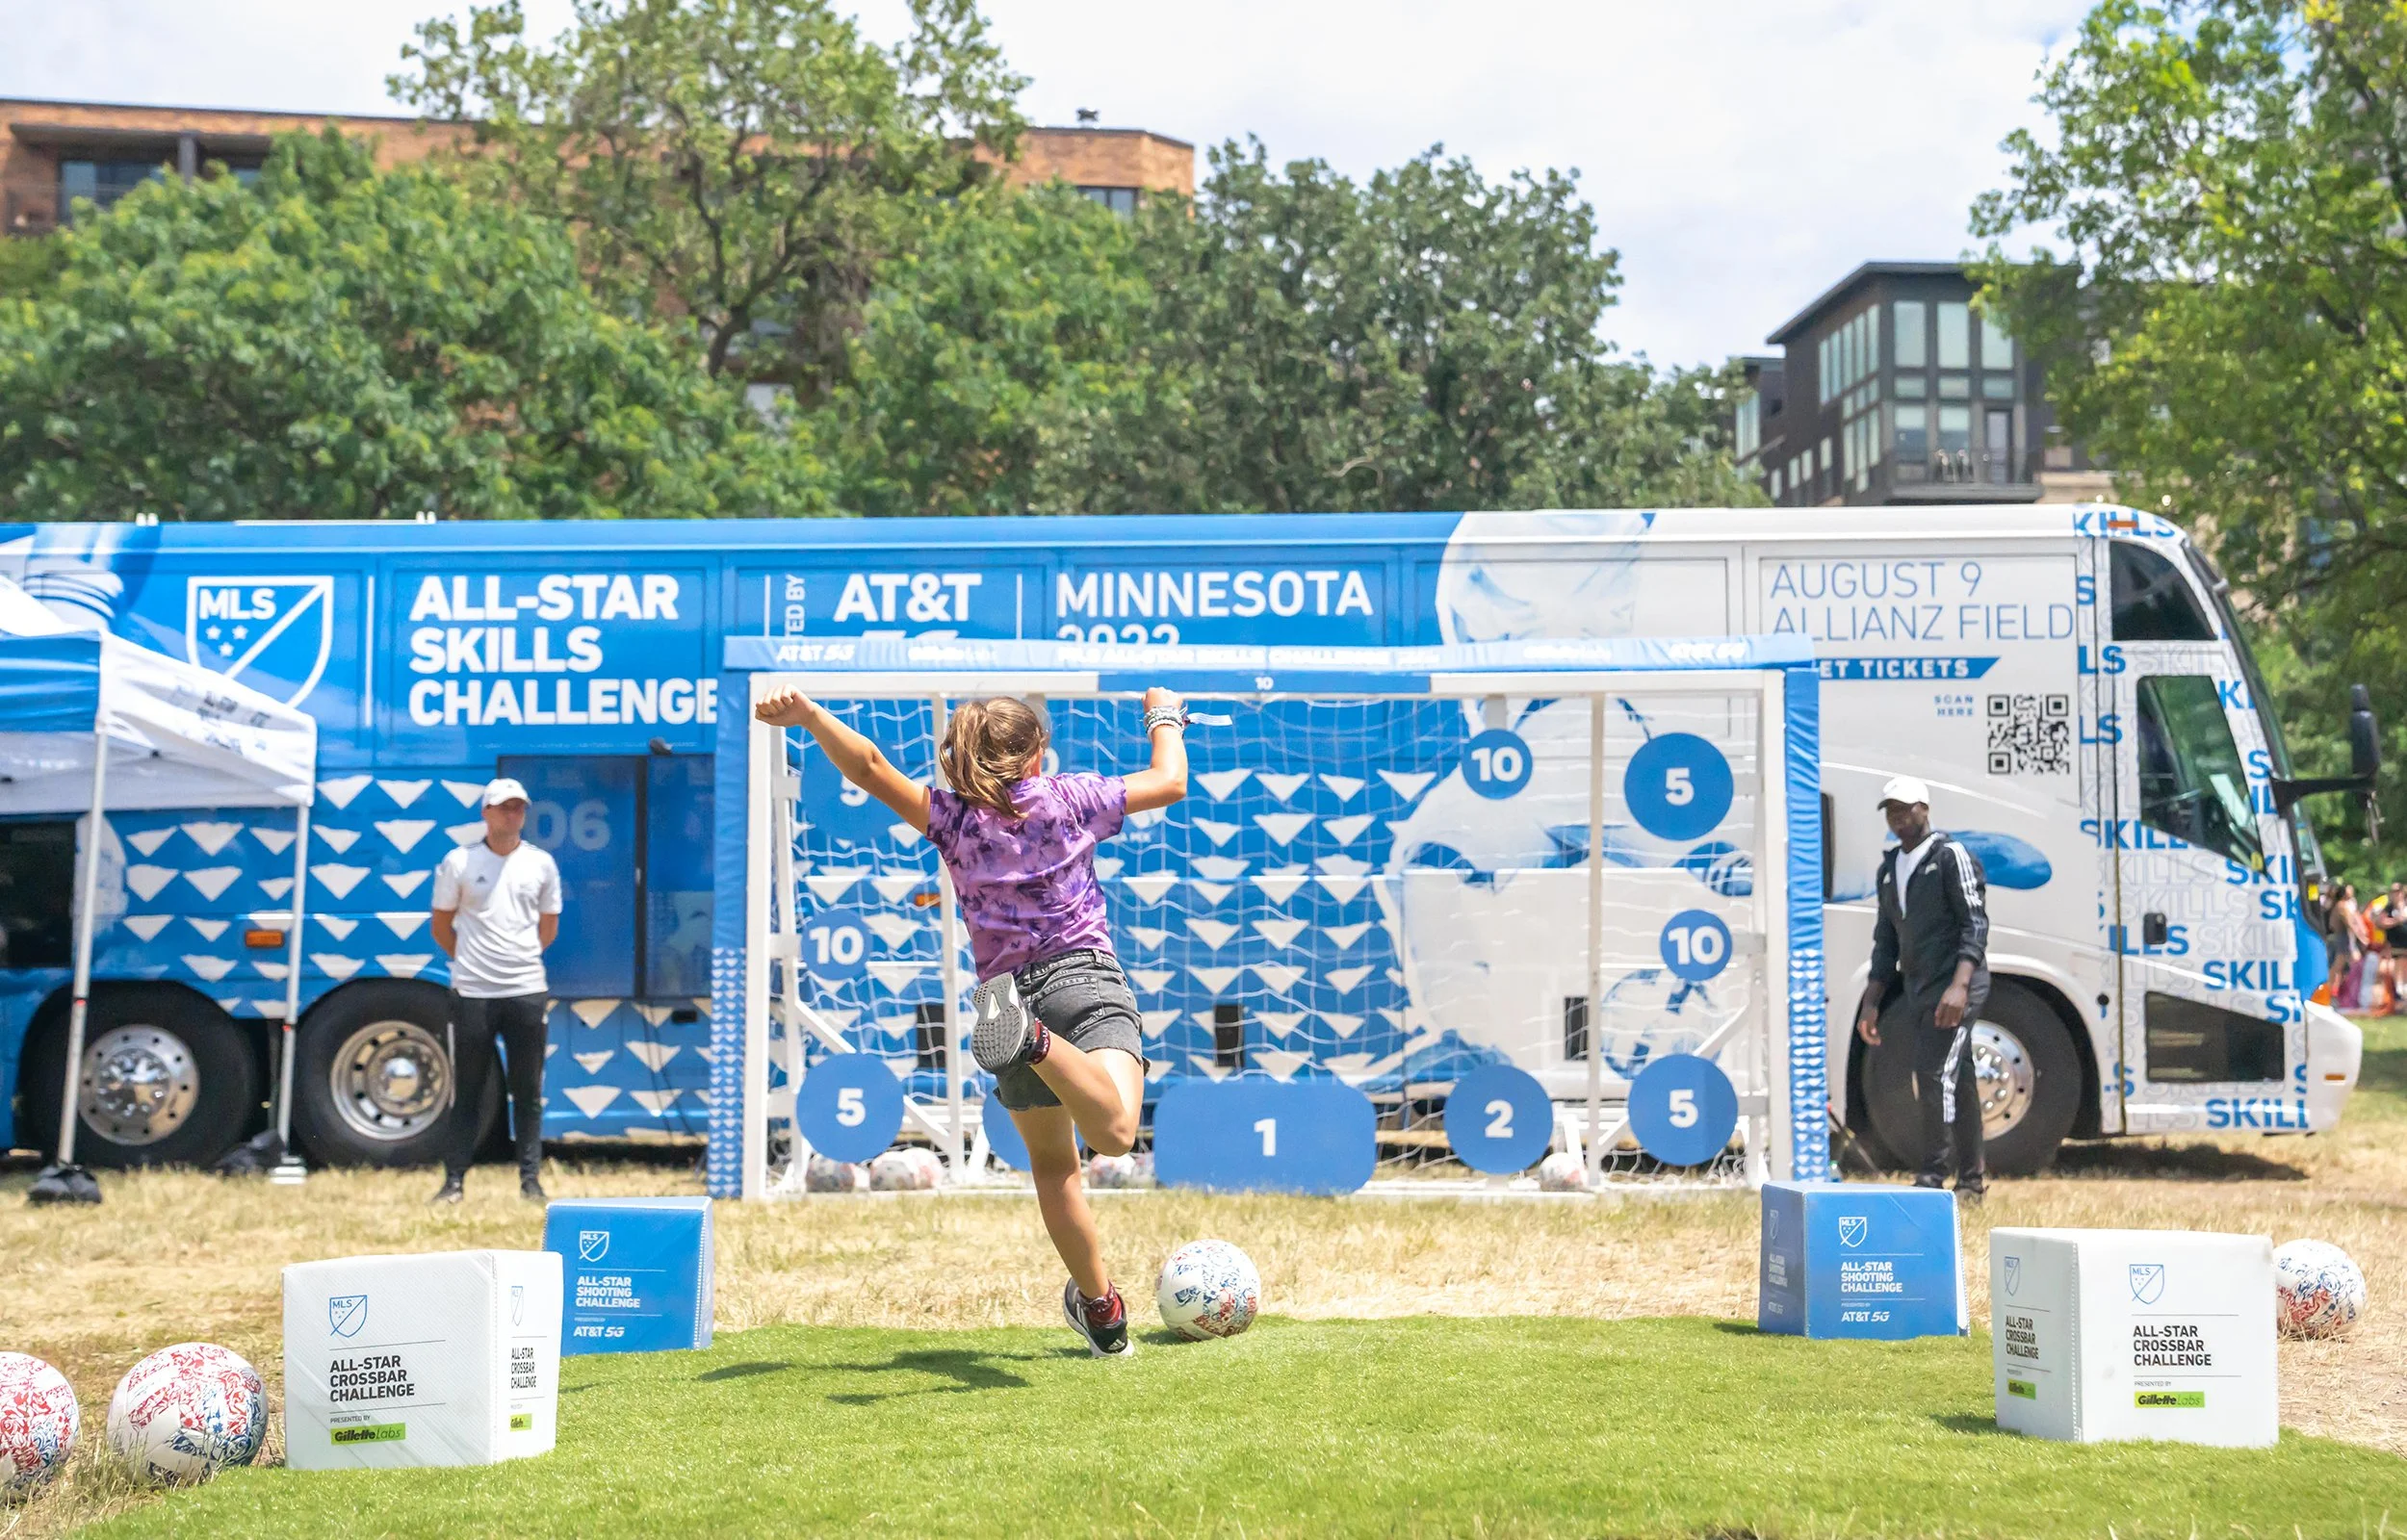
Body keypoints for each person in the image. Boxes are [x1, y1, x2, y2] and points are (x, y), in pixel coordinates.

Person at [754, 686, 1186, 1358]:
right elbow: (1170, 781)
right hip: (1081, 980)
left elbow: (869, 766)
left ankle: (1102, 1310)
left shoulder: (953, 820)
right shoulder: (1072, 798)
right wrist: (1164, 716)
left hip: (1003, 996)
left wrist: (810, 716)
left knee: (1055, 1168)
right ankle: (1036, 1041)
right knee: (1117, 1133)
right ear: (1036, 754)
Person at [1853, 775, 1991, 1201]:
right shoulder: (1890, 868)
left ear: (1925, 809)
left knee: (1933, 1074)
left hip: (1956, 987)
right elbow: (1885, 941)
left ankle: (1932, 1177)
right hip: (1920, 988)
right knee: (1957, 1079)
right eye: (1891, 810)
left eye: (1906, 808)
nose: (1898, 817)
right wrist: (1871, 1003)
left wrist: (1960, 987)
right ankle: (1971, 1182)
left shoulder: (1950, 856)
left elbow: (1975, 924)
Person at [427, 778, 563, 1205]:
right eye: (504, 807)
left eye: (519, 807)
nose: (513, 814)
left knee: (527, 1091)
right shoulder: (459, 862)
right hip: (472, 992)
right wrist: (470, 961)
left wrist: (520, 959)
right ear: (485, 813)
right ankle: (453, 1182)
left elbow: (548, 926)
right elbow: (440, 925)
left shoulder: (541, 863)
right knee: (467, 1090)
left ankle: (530, 1181)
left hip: (526, 989)